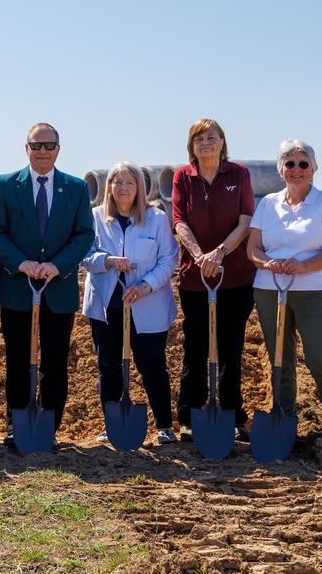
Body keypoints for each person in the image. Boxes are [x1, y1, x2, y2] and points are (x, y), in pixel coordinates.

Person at [0, 122, 96, 446]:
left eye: (49, 146)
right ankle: (16, 423)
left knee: (55, 361)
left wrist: (56, 265)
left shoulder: (75, 188)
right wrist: (21, 262)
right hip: (19, 287)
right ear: (26, 149)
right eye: (37, 146)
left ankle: (49, 425)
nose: (43, 152)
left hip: (57, 288)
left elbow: (84, 235)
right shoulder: (6, 185)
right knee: (18, 359)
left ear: (58, 149)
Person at [246, 139, 322, 454]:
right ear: (281, 169)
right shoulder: (267, 205)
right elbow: (253, 248)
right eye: (289, 163)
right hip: (269, 288)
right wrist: (269, 263)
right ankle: (285, 420)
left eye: (303, 163)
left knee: (319, 356)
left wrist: (303, 266)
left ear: (313, 169)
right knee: (280, 358)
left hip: (314, 289)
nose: (296, 169)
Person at [171, 118, 257, 443]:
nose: (205, 143)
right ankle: (190, 415)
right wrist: (199, 256)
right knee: (196, 345)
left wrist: (219, 254)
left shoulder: (239, 174)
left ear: (222, 142)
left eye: (211, 137)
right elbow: (178, 220)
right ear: (191, 146)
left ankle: (232, 414)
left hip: (234, 276)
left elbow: (246, 220)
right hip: (195, 278)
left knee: (230, 346)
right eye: (198, 139)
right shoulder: (183, 176)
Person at [82, 161, 180, 444]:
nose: (122, 187)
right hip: (106, 302)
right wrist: (108, 261)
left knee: (151, 362)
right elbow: (85, 254)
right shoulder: (96, 217)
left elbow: (168, 258)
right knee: (109, 364)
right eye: (117, 182)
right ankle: (112, 424)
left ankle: (163, 424)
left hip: (146, 301)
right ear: (109, 187)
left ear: (140, 188)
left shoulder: (156, 218)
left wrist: (145, 285)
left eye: (129, 182)